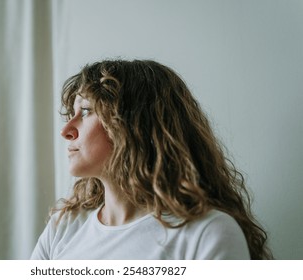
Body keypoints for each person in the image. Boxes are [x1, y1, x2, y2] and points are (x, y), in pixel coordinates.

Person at [31, 59, 272, 260]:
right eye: (71, 113)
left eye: (85, 111)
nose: (66, 131)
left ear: (134, 125)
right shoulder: (63, 227)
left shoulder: (207, 234)